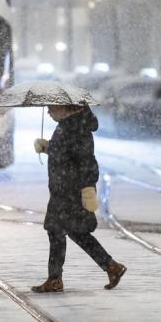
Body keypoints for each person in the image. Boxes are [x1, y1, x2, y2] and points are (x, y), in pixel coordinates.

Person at [32, 104, 127, 293]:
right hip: (62, 189)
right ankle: (110, 266)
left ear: (67, 108)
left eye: (52, 108)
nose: (49, 112)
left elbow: (87, 162)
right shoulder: (68, 125)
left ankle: (56, 279)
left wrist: (88, 189)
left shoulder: (77, 129)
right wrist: (48, 147)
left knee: (61, 231)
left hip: (71, 190)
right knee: (72, 232)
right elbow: (66, 154)